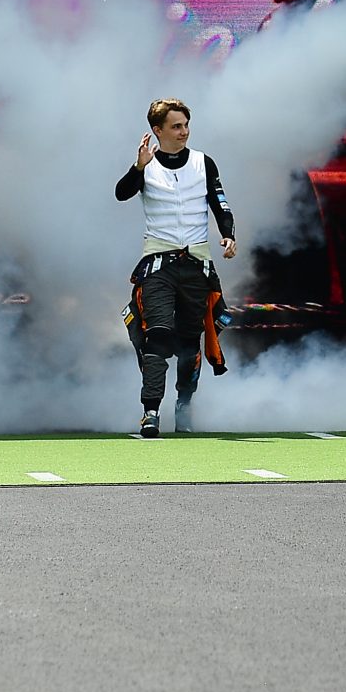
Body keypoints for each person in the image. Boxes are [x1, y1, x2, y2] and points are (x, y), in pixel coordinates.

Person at [115, 97, 236, 438]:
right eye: (176, 126)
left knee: (189, 341)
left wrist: (228, 235)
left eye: (186, 125)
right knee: (158, 334)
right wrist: (138, 167)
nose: (184, 132)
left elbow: (220, 203)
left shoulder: (203, 162)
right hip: (158, 267)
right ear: (158, 130)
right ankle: (150, 411)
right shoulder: (146, 165)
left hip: (197, 266)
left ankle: (184, 404)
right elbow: (121, 193)